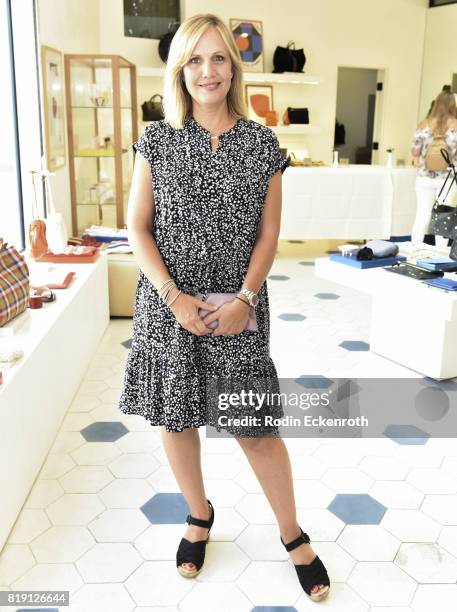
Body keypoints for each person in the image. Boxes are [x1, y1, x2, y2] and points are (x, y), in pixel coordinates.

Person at [117, 12, 330, 604]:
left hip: (239, 307)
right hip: (170, 308)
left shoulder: (261, 143)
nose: (207, 71)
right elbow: (137, 229)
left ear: (232, 68)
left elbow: (268, 235)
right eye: (194, 59)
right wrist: (174, 297)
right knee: (176, 419)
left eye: (217, 59)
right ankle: (198, 515)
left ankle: (293, 535)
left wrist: (245, 298)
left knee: (256, 429)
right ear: (179, 70)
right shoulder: (156, 141)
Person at [411, 90, 457, 246]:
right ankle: (441, 257)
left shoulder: (423, 125)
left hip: (424, 177)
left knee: (422, 215)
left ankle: (414, 250)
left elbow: (415, 151)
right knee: (443, 219)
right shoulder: (455, 126)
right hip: (447, 180)